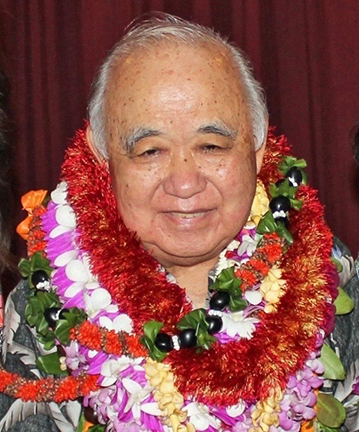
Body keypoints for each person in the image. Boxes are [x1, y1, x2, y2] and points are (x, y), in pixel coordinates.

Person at [0, 14, 358, 432]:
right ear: (104, 160)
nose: (185, 182)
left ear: (258, 149)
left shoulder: (325, 274)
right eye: (150, 151)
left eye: (211, 145)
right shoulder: (45, 304)